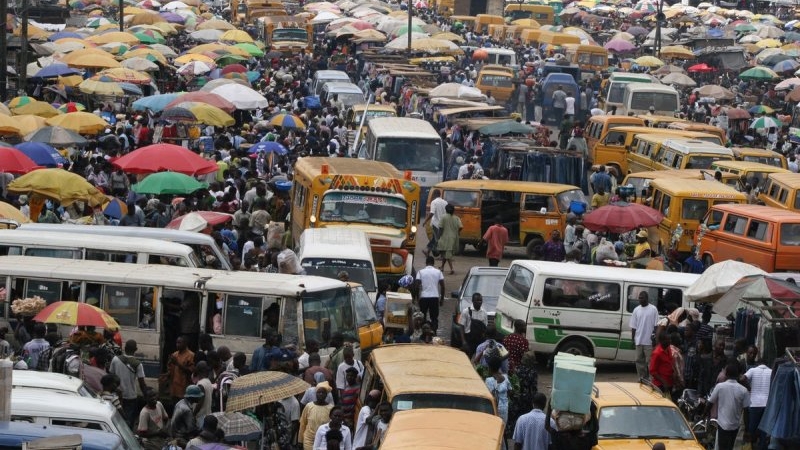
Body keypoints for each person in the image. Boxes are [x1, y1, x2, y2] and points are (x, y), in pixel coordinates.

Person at [706, 362, 751, 450]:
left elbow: (710, 403)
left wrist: (704, 415)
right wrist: (747, 430)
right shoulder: (743, 390)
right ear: (738, 375)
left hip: (722, 425)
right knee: (730, 447)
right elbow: (746, 412)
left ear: (726, 374)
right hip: (735, 426)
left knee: (722, 446)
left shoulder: (720, 387)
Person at [108, 339, 148, 427]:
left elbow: (110, 376)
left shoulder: (115, 359)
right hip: (131, 396)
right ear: (136, 349)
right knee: (128, 421)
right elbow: (142, 383)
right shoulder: (138, 364)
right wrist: (146, 395)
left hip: (116, 396)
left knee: (116, 420)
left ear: (124, 348)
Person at [630, 291, 658, 381]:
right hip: (639, 340)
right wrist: (633, 339)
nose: (640, 299)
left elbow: (656, 325)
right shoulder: (636, 310)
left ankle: (652, 380)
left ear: (647, 298)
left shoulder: (653, 309)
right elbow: (633, 326)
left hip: (649, 341)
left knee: (650, 362)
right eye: (639, 298)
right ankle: (642, 379)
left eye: (642, 298)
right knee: (639, 361)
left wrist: (654, 338)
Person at [744, 359, 772, 450]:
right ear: (766, 364)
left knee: (752, 427)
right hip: (767, 405)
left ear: (757, 364)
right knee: (764, 428)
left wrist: (748, 387)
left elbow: (742, 379)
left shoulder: (752, 370)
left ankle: (750, 447)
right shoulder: (771, 371)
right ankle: (762, 447)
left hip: (754, 404)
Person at [299, 383, 335, 450]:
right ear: (316, 394)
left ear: (326, 395)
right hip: (309, 440)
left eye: (323, 392)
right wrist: (300, 440)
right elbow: (303, 423)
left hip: (323, 440)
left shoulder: (330, 408)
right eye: (319, 392)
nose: (321, 394)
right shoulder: (309, 406)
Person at [414, 255, 445, 333]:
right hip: (434, 297)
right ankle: (433, 332)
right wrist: (442, 299)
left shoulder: (420, 272)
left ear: (426, 263)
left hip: (424, 297)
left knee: (422, 316)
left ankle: (423, 332)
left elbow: (417, 286)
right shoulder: (438, 272)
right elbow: (443, 286)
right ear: (433, 263)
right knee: (434, 317)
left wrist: (417, 298)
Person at [166, 336, 195, 404]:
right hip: (174, 389)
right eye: (176, 343)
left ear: (185, 344)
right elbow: (170, 369)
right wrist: (167, 374)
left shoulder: (191, 355)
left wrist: (177, 363)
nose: (177, 344)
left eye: (179, 343)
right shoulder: (175, 354)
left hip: (184, 389)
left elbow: (190, 371)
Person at [458, 292, 488, 357]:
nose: (479, 302)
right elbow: (461, 326)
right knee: (467, 358)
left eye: (480, 300)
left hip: (480, 340)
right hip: (469, 339)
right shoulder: (466, 311)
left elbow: (485, 327)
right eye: (477, 300)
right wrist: (463, 341)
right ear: (473, 301)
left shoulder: (484, 312)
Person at [437, 204, 462, 274]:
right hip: (453, 238)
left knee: (447, 255)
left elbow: (440, 228)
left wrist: (438, 237)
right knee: (446, 253)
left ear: (446, 210)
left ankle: (452, 269)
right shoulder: (457, 218)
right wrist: (457, 232)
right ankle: (442, 267)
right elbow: (461, 227)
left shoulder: (443, 217)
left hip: (444, 238)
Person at [485, 357, 511, 425]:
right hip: (504, 408)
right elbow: (509, 391)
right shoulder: (505, 377)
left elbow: (488, 396)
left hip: (494, 408)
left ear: (489, 367)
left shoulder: (488, 380)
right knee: (502, 427)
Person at [422, 190, 447, 257]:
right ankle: (428, 250)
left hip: (436, 224)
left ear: (434, 195)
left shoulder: (434, 202)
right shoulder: (445, 202)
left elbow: (432, 213)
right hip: (443, 224)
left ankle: (429, 250)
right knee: (436, 238)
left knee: (436, 239)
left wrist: (425, 221)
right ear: (440, 194)